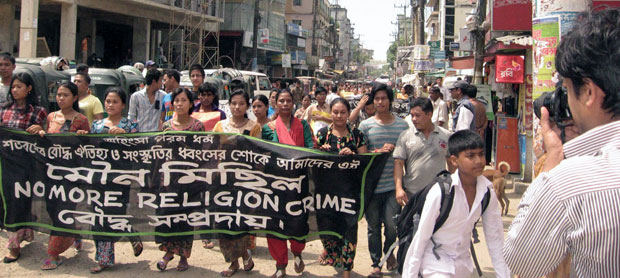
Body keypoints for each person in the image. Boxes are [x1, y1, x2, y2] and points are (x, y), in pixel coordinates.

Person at [504, 8, 620, 277]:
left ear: (589, 92)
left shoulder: (569, 184)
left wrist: (553, 160)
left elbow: (522, 262)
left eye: (566, 89)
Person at [402, 130, 510, 278]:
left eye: (481, 154)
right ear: (454, 161)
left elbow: (495, 238)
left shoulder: (487, 193)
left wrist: (504, 275)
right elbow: (421, 238)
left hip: (463, 267)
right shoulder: (440, 192)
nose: (478, 161)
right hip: (435, 265)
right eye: (470, 156)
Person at [89, 87, 142, 274]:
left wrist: (126, 137)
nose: (110, 105)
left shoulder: (131, 125)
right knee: (98, 217)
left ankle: (128, 230)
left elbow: (138, 150)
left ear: (123, 105)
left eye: (115, 102)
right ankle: (104, 258)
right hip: (98, 178)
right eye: (108, 101)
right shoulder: (96, 125)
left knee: (116, 214)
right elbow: (89, 149)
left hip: (120, 178)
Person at [358, 83, 409, 278]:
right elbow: (361, 156)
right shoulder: (366, 125)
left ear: (390, 100)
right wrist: (377, 152)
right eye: (377, 98)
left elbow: (407, 155)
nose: (380, 102)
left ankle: (389, 254)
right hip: (371, 187)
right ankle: (376, 262)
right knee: (373, 227)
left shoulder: (402, 125)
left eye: (383, 98)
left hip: (393, 186)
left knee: (391, 225)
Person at [262, 88, 313, 278]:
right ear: (275, 103)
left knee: (298, 220)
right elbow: (264, 155)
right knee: (274, 222)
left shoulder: (303, 125)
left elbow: (310, 148)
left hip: (298, 183)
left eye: (288, 101)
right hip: (274, 184)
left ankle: (297, 251)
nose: (284, 104)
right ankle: (280, 264)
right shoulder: (268, 128)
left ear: (294, 103)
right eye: (281, 101)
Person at [38, 81, 90, 270]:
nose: (61, 98)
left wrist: (84, 136)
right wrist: (41, 133)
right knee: (53, 208)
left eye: (65, 95)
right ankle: (74, 233)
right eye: (58, 95)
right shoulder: (51, 116)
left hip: (71, 174)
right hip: (51, 172)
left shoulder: (81, 120)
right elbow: (44, 140)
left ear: (75, 98)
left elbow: (90, 148)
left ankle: (53, 254)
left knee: (64, 209)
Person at [315, 98, 368, 278]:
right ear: (330, 113)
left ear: (348, 113)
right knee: (328, 229)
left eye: (343, 112)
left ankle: (346, 270)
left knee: (349, 230)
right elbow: (311, 160)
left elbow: (365, 162)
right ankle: (330, 254)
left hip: (349, 193)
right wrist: (321, 151)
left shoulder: (357, 135)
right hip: (326, 194)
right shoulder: (322, 134)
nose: (339, 116)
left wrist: (353, 155)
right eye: (335, 112)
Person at [213, 89, 260, 277]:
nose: (237, 107)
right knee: (224, 221)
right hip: (223, 180)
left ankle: (245, 253)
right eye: (233, 103)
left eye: (241, 103)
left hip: (245, 181)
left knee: (242, 219)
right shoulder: (219, 126)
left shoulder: (254, 127)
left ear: (247, 106)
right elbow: (213, 152)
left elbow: (257, 155)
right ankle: (233, 262)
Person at [0, 73, 47, 264]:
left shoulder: (38, 112)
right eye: (13, 87)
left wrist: (39, 130)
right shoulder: (3, 110)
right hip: (6, 164)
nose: (15, 90)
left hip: (27, 166)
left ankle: (21, 235)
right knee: (11, 202)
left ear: (29, 89)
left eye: (19, 87)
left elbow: (45, 135)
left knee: (22, 201)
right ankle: (14, 245)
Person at [157, 88, 204, 272]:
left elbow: (201, 153)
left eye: (184, 100)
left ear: (191, 104)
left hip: (189, 179)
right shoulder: (166, 126)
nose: (179, 103)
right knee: (168, 215)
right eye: (176, 100)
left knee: (185, 217)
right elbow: (161, 152)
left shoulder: (197, 127)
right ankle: (168, 252)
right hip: (168, 179)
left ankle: (183, 256)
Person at [394, 98, 452, 205]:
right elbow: (398, 163)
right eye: (412, 115)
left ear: (429, 114)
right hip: (413, 195)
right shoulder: (405, 136)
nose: (414, 119)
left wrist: (454, 187)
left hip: (439, 194)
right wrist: (398, 188)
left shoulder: (446, 136)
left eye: (417, 115)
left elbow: (452, 163)